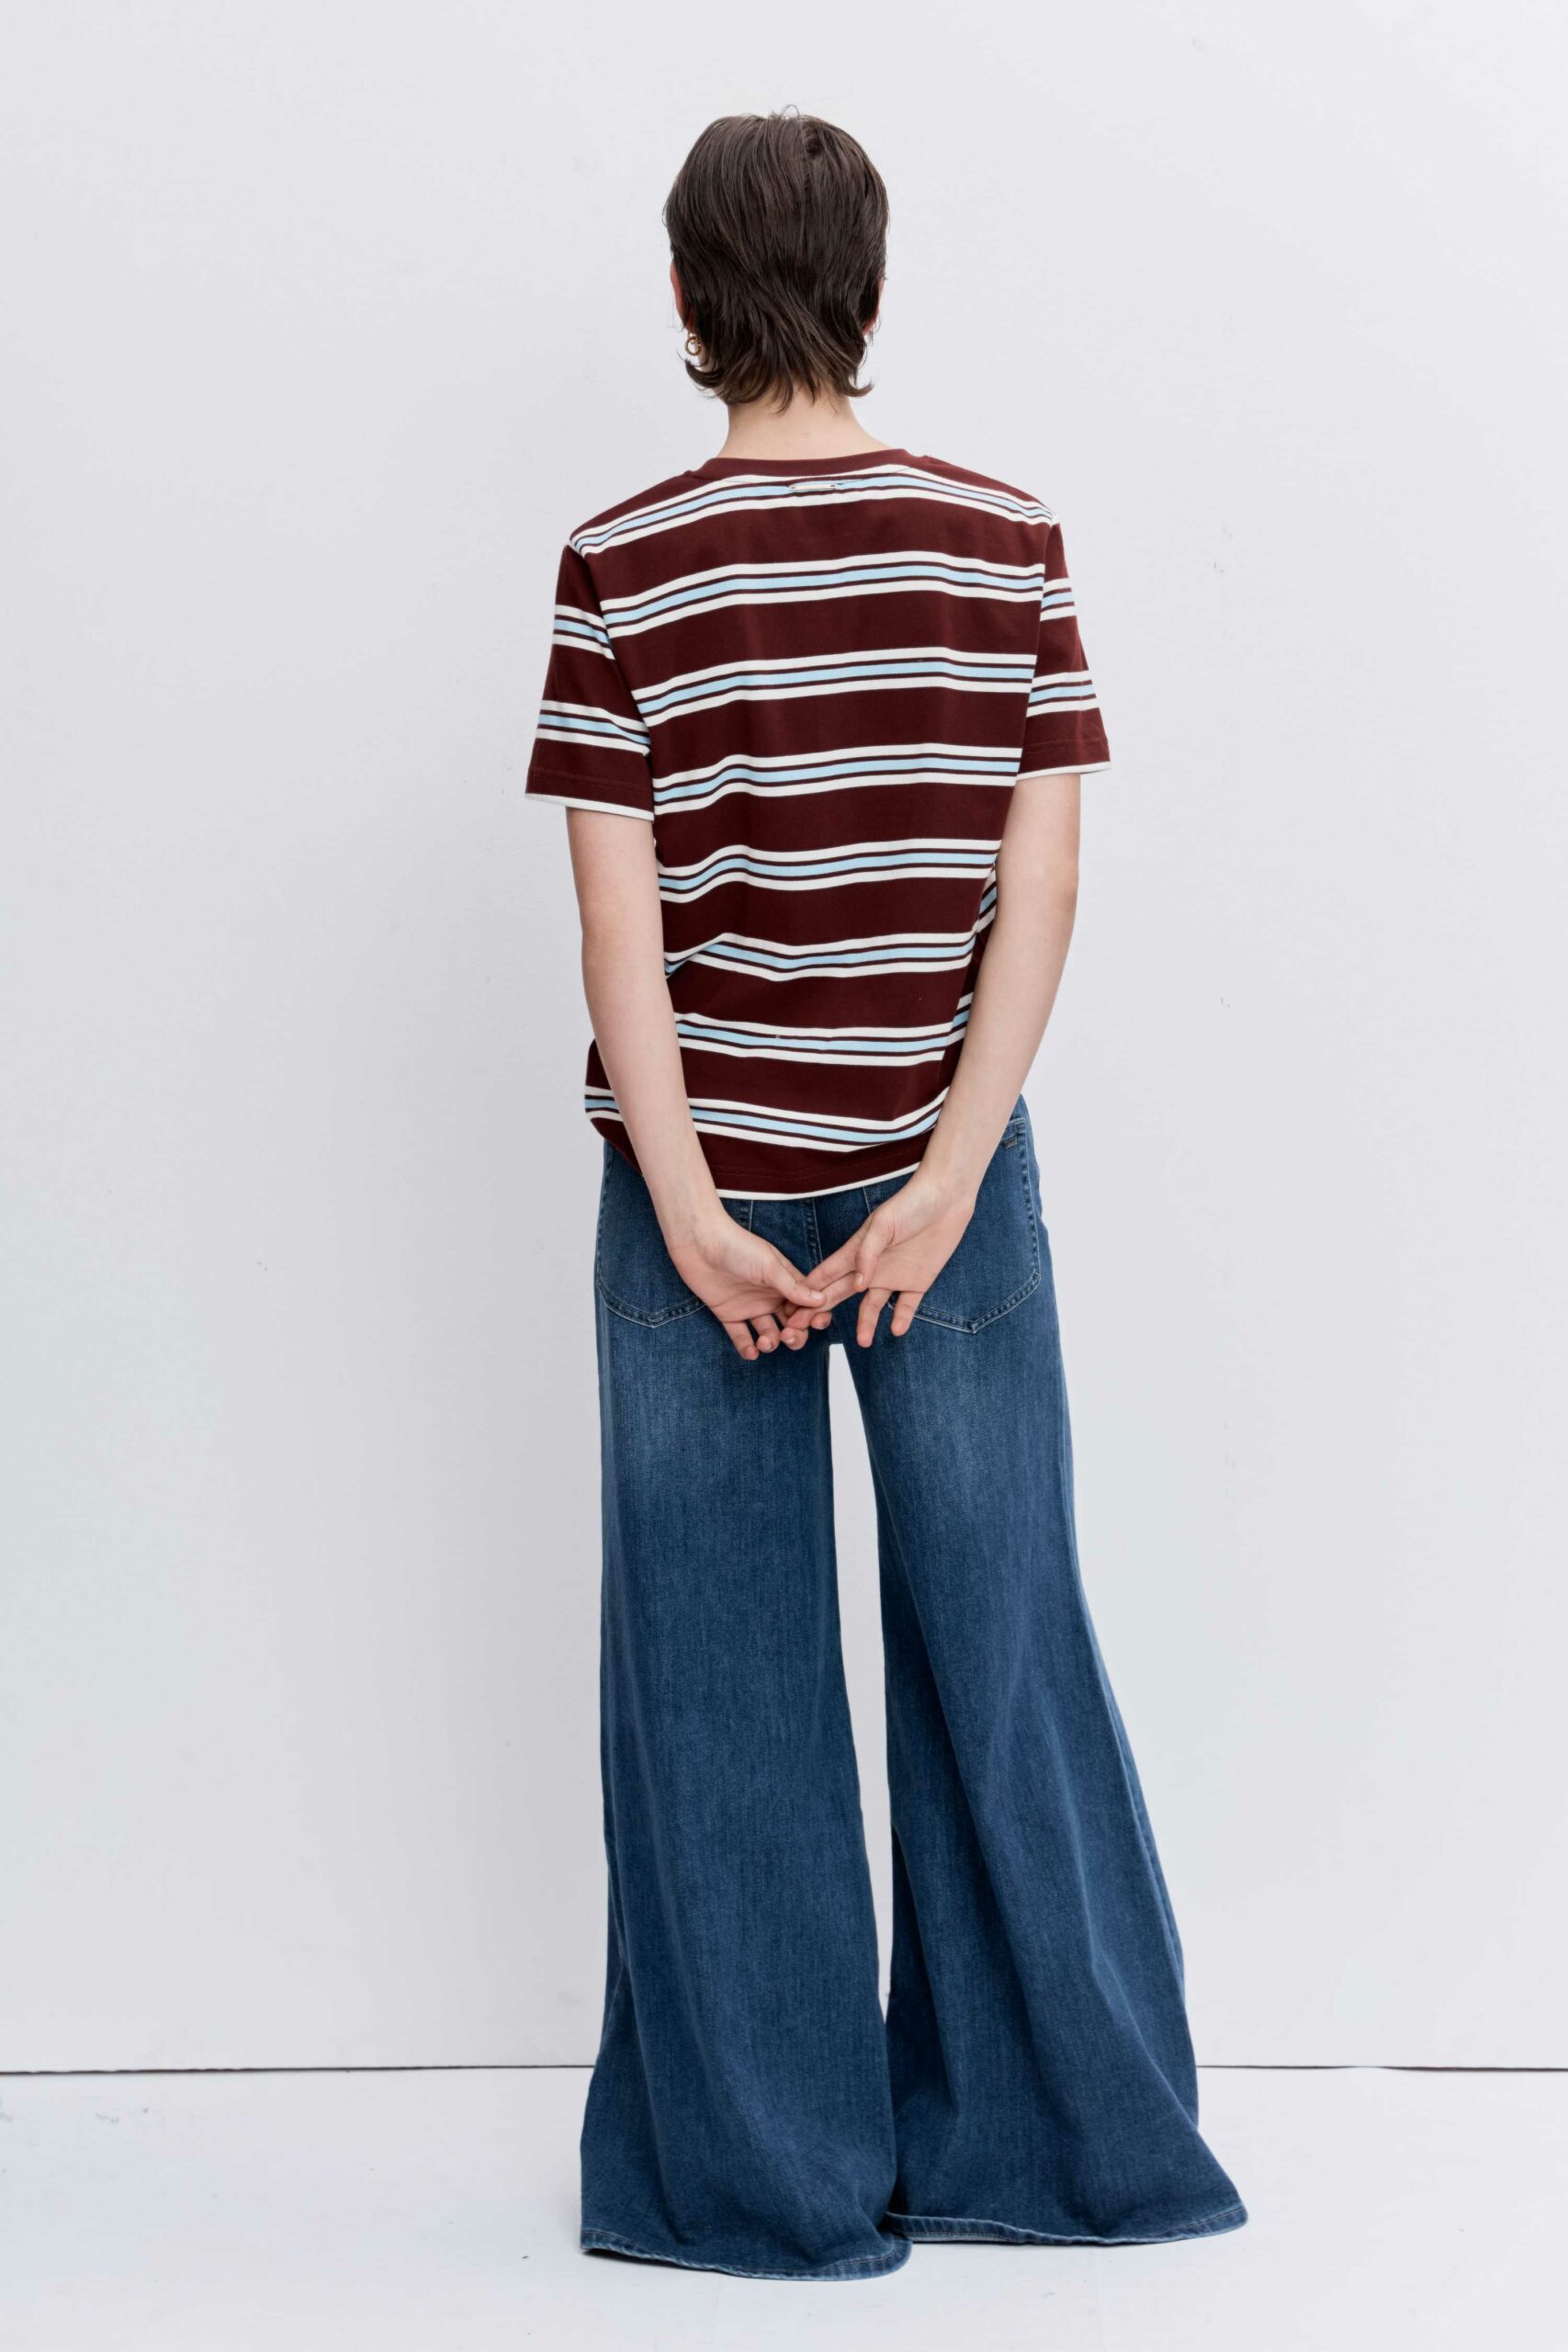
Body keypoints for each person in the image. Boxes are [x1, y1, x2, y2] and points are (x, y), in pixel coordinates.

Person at [525, 108, 1246, 2284]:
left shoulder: (618, 561)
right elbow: (1043, 886)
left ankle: (762, 2184)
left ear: (681, 296)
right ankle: (1063, 2147)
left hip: (698, 1185)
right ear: (868, 283)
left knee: (715, 1670)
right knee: (998, 1635)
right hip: (952, 1186)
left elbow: (618, 925)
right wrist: (939, 1178)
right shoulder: (1000, 539)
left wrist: (683, 1199)